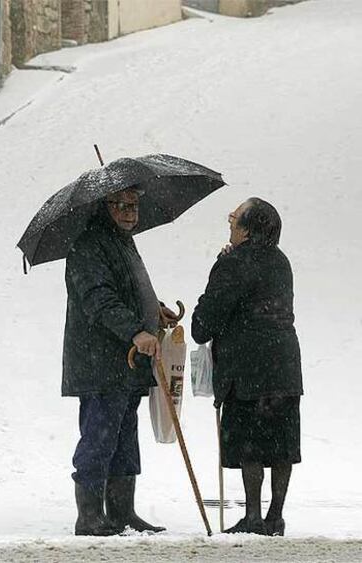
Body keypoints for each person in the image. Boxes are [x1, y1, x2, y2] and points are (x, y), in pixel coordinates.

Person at [63, 187, 177, 536]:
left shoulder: (122, 241)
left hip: (126, 363)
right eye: (122, 205)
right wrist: (135, 331)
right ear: (104, 206)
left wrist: (153, 310)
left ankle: (122, 511)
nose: (131, 212)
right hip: (100, 362)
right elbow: (99, 298)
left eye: (135, 205)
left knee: (125, 436)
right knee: (99, 436)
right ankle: (89, 516)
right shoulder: (87, 246)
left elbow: (127, 287)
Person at [191, 197, 303, 536]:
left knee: (249, 441)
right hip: (284, 363)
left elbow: (204, 324)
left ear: (248, 228)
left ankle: (253, 516)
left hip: (247, 368)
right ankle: (275, 516)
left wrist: (219, 266)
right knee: (282, 441)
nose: (230, 221)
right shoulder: (281, 262)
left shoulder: (234, 262)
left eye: (234, 217)